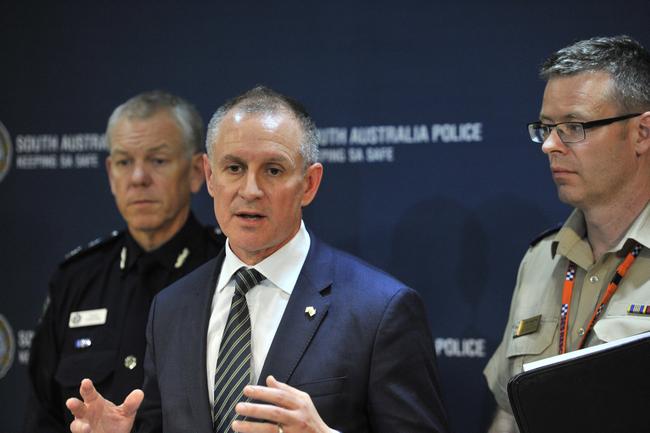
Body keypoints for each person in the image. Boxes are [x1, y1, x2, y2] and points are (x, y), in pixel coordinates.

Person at [64, 86, 449, 433]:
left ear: (309, 184)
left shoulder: (379, 310)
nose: (250, 190)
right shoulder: (170, 307)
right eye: (234, 168)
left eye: (273, 170)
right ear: (210, 177)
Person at [25, 90, 226, 432]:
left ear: (196, 173)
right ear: (110, 174)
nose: (138, 178)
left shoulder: (227, 270)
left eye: (157, 161)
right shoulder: (76, 279)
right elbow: (42, 415)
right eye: (124, 162)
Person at [484, 35, 650, 432]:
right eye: (546, 128)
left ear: (642, 133)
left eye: (574, 127)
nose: (550, 146)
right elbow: (509, 411)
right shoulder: (541, 258)